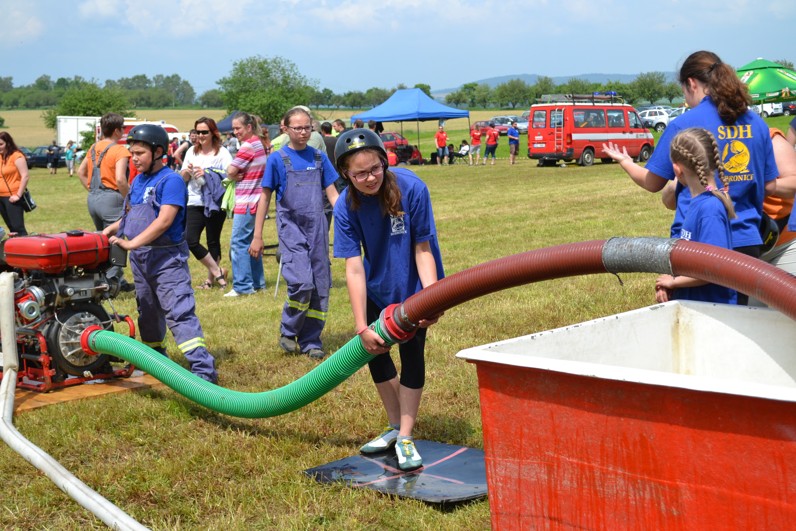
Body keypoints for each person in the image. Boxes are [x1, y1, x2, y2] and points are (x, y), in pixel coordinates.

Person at [602, 50, 778, 304]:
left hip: (696, 245)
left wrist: (626, 162)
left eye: (684, 92)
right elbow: (770, 184)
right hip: (747, 242)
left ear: (692, 83)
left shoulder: (684, 124)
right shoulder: (756, 122)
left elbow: (652, 182)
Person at [332, 128, 444, 471]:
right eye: (360, 173)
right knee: (376, 357)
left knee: (412, 356)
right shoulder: (345, 207)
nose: (369, 179)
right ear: (345, 175)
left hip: (414, 289)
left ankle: (407, 437)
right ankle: (395, 427)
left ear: (384, 160)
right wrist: (361, 325)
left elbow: (422, 248)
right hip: (376, 287)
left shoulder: (412, 188)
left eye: (375, 169)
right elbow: (353, 268)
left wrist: (432, 298)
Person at [103, 124, 218, 384]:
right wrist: (109, 231)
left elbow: (165, 220)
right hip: (142, 260)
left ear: (158, 152)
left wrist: (132, 244)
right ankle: (156, 360)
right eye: (132, 153)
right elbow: (131, 215)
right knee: (149, 312)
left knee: (179, 312)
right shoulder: (137, 180)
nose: (134, 158)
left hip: (167, 260)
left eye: (139, 153)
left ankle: (203, 371)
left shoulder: (172, 180)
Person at [249, 107, 340, 359]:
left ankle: (312, 340)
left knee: (320, 285)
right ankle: (289, 330)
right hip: (291, 229)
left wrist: (348, 219)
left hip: (318, 228)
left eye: (307, 127)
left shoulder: (319, 158)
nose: (303, 132)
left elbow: (333, 194)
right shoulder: (278, 159)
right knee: (302, 282)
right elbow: (265, 197)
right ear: (286, 129)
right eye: (297, 128)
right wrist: (257, 235)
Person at [652, 128, 737, 304]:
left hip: (713, 311)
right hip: (697, 306)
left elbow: (715, 268)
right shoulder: (698, 203)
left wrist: (674, 282)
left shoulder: (710, 209)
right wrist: (670, 279)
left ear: (676, 170)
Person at [180, 117, 230, 291]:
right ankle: (218, 272)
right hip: (194, 200)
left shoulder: (222, 153)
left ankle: (210, 281)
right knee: (190, 239)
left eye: (204, 132)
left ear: (213, 132)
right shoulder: (191, 152)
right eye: (197, 132)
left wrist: (207, 173)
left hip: (214, 202)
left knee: (213, 241)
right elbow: (182, 178)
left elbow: (229, 175)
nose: (200, 135)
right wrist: (186, 172)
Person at [224, 111, 267, 297]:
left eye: (238, 128)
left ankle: (242, 286)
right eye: (233, 129)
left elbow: (230, 170)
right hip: (255, 200)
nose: (235, 132)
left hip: (247, 201)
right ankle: (257, 283)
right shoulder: (258, 143)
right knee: (250, 243)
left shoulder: (248, 146)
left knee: (239, 243)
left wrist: (232, 174)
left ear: (248, 127)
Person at [77, 113, 131, 231]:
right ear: (116, 131)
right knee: (115, 242)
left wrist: (93, 191)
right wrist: (130, 202)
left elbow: (81, 172)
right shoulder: (120, 150)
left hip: (92, 199)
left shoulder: (93, 147)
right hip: (112, 200)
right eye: (123, 128)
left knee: (101, 242)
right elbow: (120, 180)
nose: (124, 130)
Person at [0, 132, 31, 235]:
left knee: (18, 227)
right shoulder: (0, 157)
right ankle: (16, 250)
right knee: (11, 228)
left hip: (13, 197)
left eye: (1, 144)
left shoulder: (17, 156)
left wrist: (18, 195)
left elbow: (25, 176)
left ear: (8, 143)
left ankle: (27, 249)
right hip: (1, 197)